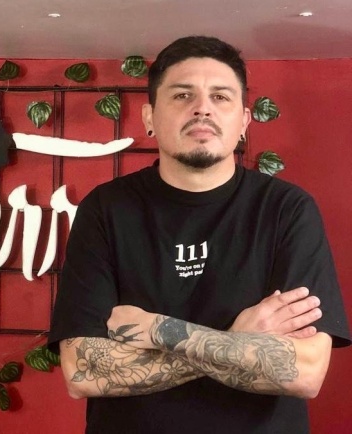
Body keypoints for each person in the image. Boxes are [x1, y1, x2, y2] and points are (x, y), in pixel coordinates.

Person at [47, 35, 350, 434]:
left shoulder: (287, 210)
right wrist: (236, 339)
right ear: (149, 117)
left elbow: (305, 372)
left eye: (220, 97)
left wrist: (156, 329)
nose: (202, 108)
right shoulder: (105, 209)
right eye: (182, 95)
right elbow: (83, 371)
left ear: (243, 122)